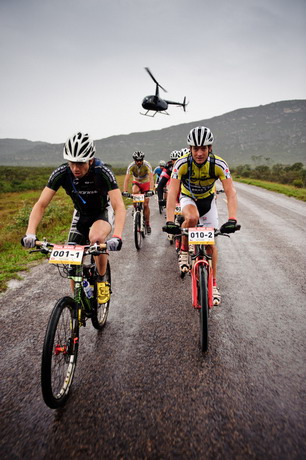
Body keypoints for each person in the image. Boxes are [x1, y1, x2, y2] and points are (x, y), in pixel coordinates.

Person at [21, 132, 126, 304]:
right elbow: (41, 204)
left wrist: (117, 237)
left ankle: (101, 280)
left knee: (96, 238)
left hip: (102, 212)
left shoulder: (102, 171)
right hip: (81, 215)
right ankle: (77, 307)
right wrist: (30, 233)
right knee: (72, 261)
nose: (75, 168)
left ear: (90, 160)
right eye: (72, 162)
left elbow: (119, 206)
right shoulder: (62, 173)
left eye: (80, 163)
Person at [163, 126, 239, 306]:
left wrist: (232, 219)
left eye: (203, 148)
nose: (199, 153)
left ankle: (213, 284)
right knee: (191, 218)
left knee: (211, 244)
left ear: (209, 148)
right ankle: (183, 250)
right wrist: (168, 220)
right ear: (190, 149)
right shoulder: (181, 164)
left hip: (208, 200)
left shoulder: (219, 164)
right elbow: (172, 191)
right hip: (187, 197)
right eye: (195, 149)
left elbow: (230, 192)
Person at [123, 151, 154, 233]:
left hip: (146, 183)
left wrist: (151, 190)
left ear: (143, 160)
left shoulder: (147, 165)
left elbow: (151, 178)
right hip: (136, 182)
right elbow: (126, 179)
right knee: (135, 191)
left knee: (146, 204)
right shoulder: (131, 166)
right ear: (134, 160)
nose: (139, 162)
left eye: (140, 160)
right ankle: (135, 207)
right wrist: (125, 191)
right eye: (137, 160)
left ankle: (147, 224)